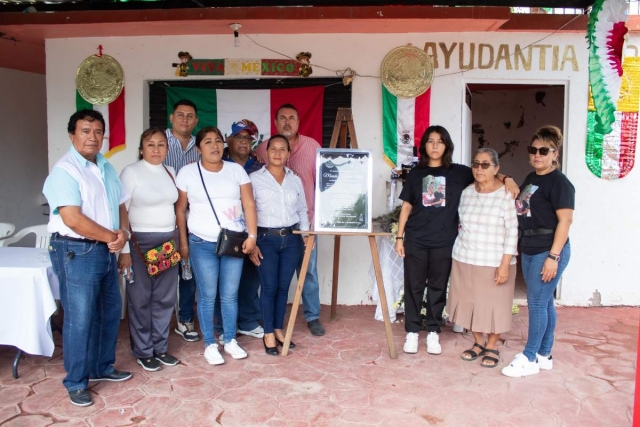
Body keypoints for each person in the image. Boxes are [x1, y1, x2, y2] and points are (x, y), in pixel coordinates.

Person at [395, 125, 518, 356]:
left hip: (444, 242)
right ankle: (412, 331)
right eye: (430, 141)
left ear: (446, 146)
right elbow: (406, 206)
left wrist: (507, 178)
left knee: (437, 287)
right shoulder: (416, 174)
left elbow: (484, 170)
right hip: (416, 239)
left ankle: (432, 331)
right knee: (413, 285)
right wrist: (400, 237)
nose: (434, 146)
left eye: (439, 142)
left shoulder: (459, 172)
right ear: (424, 146)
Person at [43, 109, 132, 407]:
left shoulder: (106, 167)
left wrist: (124, 234)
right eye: (85, 130)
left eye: (97, 131)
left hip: (107, 250)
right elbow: (72, 218)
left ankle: (102, 367)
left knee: (109, 312)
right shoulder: (65, 170)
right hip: (76, 250)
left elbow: (120, 205)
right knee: (80, 319)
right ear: (72, 135)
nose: (92, 137)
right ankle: (76, 380)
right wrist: (112, 238)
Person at [175, 126, 258, 365]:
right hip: (201, 242)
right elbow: (180, 210)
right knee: (207, 295)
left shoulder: (236, 171)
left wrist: (252, 236)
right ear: (199, 147)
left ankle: (229, 339)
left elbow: (249, 204)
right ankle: (210, 344)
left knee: (230, 295)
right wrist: (183, 243)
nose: (214, 146)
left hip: (232, 242)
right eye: (208, 141)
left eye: (218, 141)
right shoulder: (188, 173)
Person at [502, 125, 574, 378]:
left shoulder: (560, 183)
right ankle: (545, 354)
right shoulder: (532, 178)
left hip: (548, 249)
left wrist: (553, 257)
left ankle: (529, 357)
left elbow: (565, 221)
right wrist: (507, 178)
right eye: (533, 150)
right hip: (529, 248)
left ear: (555, 153)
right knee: (545, 303)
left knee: (535, 303)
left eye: (544, 150)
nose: (537, 155)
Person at [255, 103, 325, 337]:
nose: (287, 122)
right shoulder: (262, 148)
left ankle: (312, 316)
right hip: (270, 229)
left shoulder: (313, 147)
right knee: (272, 281)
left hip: (305, 222)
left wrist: (311, 230)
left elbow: (323, 186)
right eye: (282, 118)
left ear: (298, 122)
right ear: (275, 123)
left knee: (308, 272)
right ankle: (269, 324)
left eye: (292, 118)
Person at [446, 148, 518, 368]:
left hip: (495, 260)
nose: (479, 168)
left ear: (496, 169)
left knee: (495, 306)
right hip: (464, 257)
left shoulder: (505, 194)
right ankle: (478, 342)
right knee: (470, 304)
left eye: (485, 164)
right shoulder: (466, 192)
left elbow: (512, 231)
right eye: (476, 164)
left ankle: (492, 345)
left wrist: (505, 264)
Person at [118, 128, 180, 372]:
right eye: (150, 144)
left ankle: (160, 347)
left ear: (167, 148)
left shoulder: (170, 172)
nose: (156, 149)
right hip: (138, 242)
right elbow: (122, 210)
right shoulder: (131, 172)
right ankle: (144, 351)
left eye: (161, 144)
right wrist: (123, 248)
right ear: (141, 148)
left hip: (166, 241)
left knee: (164, 299)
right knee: (141, 299)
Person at [249, 134, 309, 356]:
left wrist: (304, 235)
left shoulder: (295, 179)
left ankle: (277, 328)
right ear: (266, 153)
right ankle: (267, 333)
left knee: (284, 287)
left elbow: (302, 209)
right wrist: (252, 240)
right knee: (269, 286)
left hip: (292, 238)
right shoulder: (255, 179)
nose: (277, 153)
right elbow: (249, 210)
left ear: (288, 154)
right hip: (267, 239)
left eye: (282, 149)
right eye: (272, 149)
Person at [214, 120, 265, 343]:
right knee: (223, 282)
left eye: (248, 138)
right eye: (239, 137)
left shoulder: (258, 166)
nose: (243, 142)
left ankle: (248, 321)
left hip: (254, 230)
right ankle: (224, 325)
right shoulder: (218, 164)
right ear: (229, 140)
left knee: (251, 278)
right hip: (226, 231)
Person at [164, 99, 200, 342]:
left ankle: (185, 318)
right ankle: (157, 322)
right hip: (162, 222)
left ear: (196, 121)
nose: (185, 119)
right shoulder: (159, 142)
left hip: (193, 219)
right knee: (163, 272)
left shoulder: (202, 146)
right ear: (171, 118)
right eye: (180, 115)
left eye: (190, 116)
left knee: (189, 271)